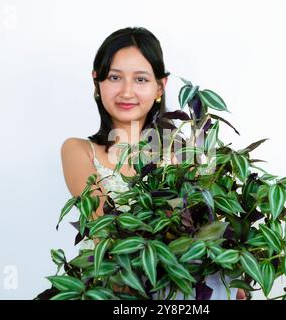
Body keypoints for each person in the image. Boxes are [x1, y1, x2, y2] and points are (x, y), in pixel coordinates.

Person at [60, 26, 246, 300]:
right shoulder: (79, 150)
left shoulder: (182, 152)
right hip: (112, 288)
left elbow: (209, 230)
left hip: (182, 292)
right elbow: (104, 229)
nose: (126, 91)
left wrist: (237, 284)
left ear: (160, 86)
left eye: (141, 79)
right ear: (97, 82)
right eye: (114, 77)